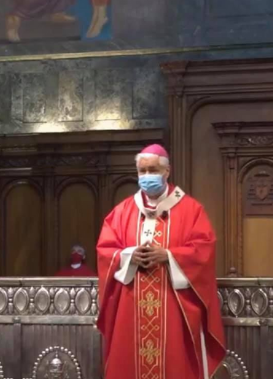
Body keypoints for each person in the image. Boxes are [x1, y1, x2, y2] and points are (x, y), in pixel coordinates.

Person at [96, 144, 225, 379]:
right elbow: (106, 250)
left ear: (167, 171)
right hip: (131, 306)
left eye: (153, 170)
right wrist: (128, 255)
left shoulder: (191, 210)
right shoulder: (122, 211)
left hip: (174, 306)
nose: (147, 176)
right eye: (142, 171)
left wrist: (169, 256)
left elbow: (204, 250)